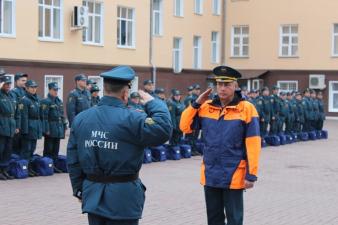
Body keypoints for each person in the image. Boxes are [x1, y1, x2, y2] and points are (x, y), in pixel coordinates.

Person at [67, 66, 172, 225]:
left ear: (104, 89)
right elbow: (164, 129)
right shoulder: (133, 118)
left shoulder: (82, 118)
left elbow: (73, 159)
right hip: (123, 198)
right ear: (125, 93)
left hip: (93, 194)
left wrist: (80, 190)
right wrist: (153, 102)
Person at [180, 66, 261, 225]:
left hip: (234, 172)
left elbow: (253, 143)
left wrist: (251, 175)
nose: (222, 88)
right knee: (214, 219)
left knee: (234, 219)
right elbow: (185, 126)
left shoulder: (246, 108)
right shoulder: (206, 107)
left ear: (236, 86)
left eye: (227, 85)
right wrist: (196, 103)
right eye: (220, 84)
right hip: (211, 172)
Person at [40, 82, 67, 173]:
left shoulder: (58, 101)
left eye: (57, 90)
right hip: (50, 128)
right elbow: (44, 116)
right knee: (49, 148)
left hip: (58, 128)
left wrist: (64, 125)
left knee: (56, 149)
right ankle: (46, 165)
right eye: (54, 90)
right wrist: (46, 129)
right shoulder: (46, 101)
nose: (56, 92)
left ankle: (54, 165)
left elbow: (62, 115)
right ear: (50, 90)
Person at [19, 80, 43, 177]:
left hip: (35, 127)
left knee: (32, 149)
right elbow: (23, 116)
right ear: (27, 88)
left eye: (35, 87)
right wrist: (24, 131)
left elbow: (40, 116)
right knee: (26, 150)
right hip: (28, 128)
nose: (34, 89)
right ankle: (24, 169)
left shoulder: (37, 99)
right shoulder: (24, 100)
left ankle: (30, 168)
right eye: (32, 87)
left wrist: (40, 129)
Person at [0, 76, 19, 180]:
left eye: (9, 84)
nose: (8, 86)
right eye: (5, 84)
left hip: (10, 126)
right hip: (2, 126)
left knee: (8, 150)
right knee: (1, 149)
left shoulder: (11, 95)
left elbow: (16, 112)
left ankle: (4, 170)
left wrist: (16, 126)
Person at [10, 72, 28, 155]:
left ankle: (22, 165)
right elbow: (14, 109)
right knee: (15, 147)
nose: (25, 82)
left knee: (24, 147)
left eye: (26, 80)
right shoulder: (13, 92)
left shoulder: (26, 91)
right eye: (23, 80)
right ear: (16, 81)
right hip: (18, 124)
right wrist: (16, 125)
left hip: (26, 123)